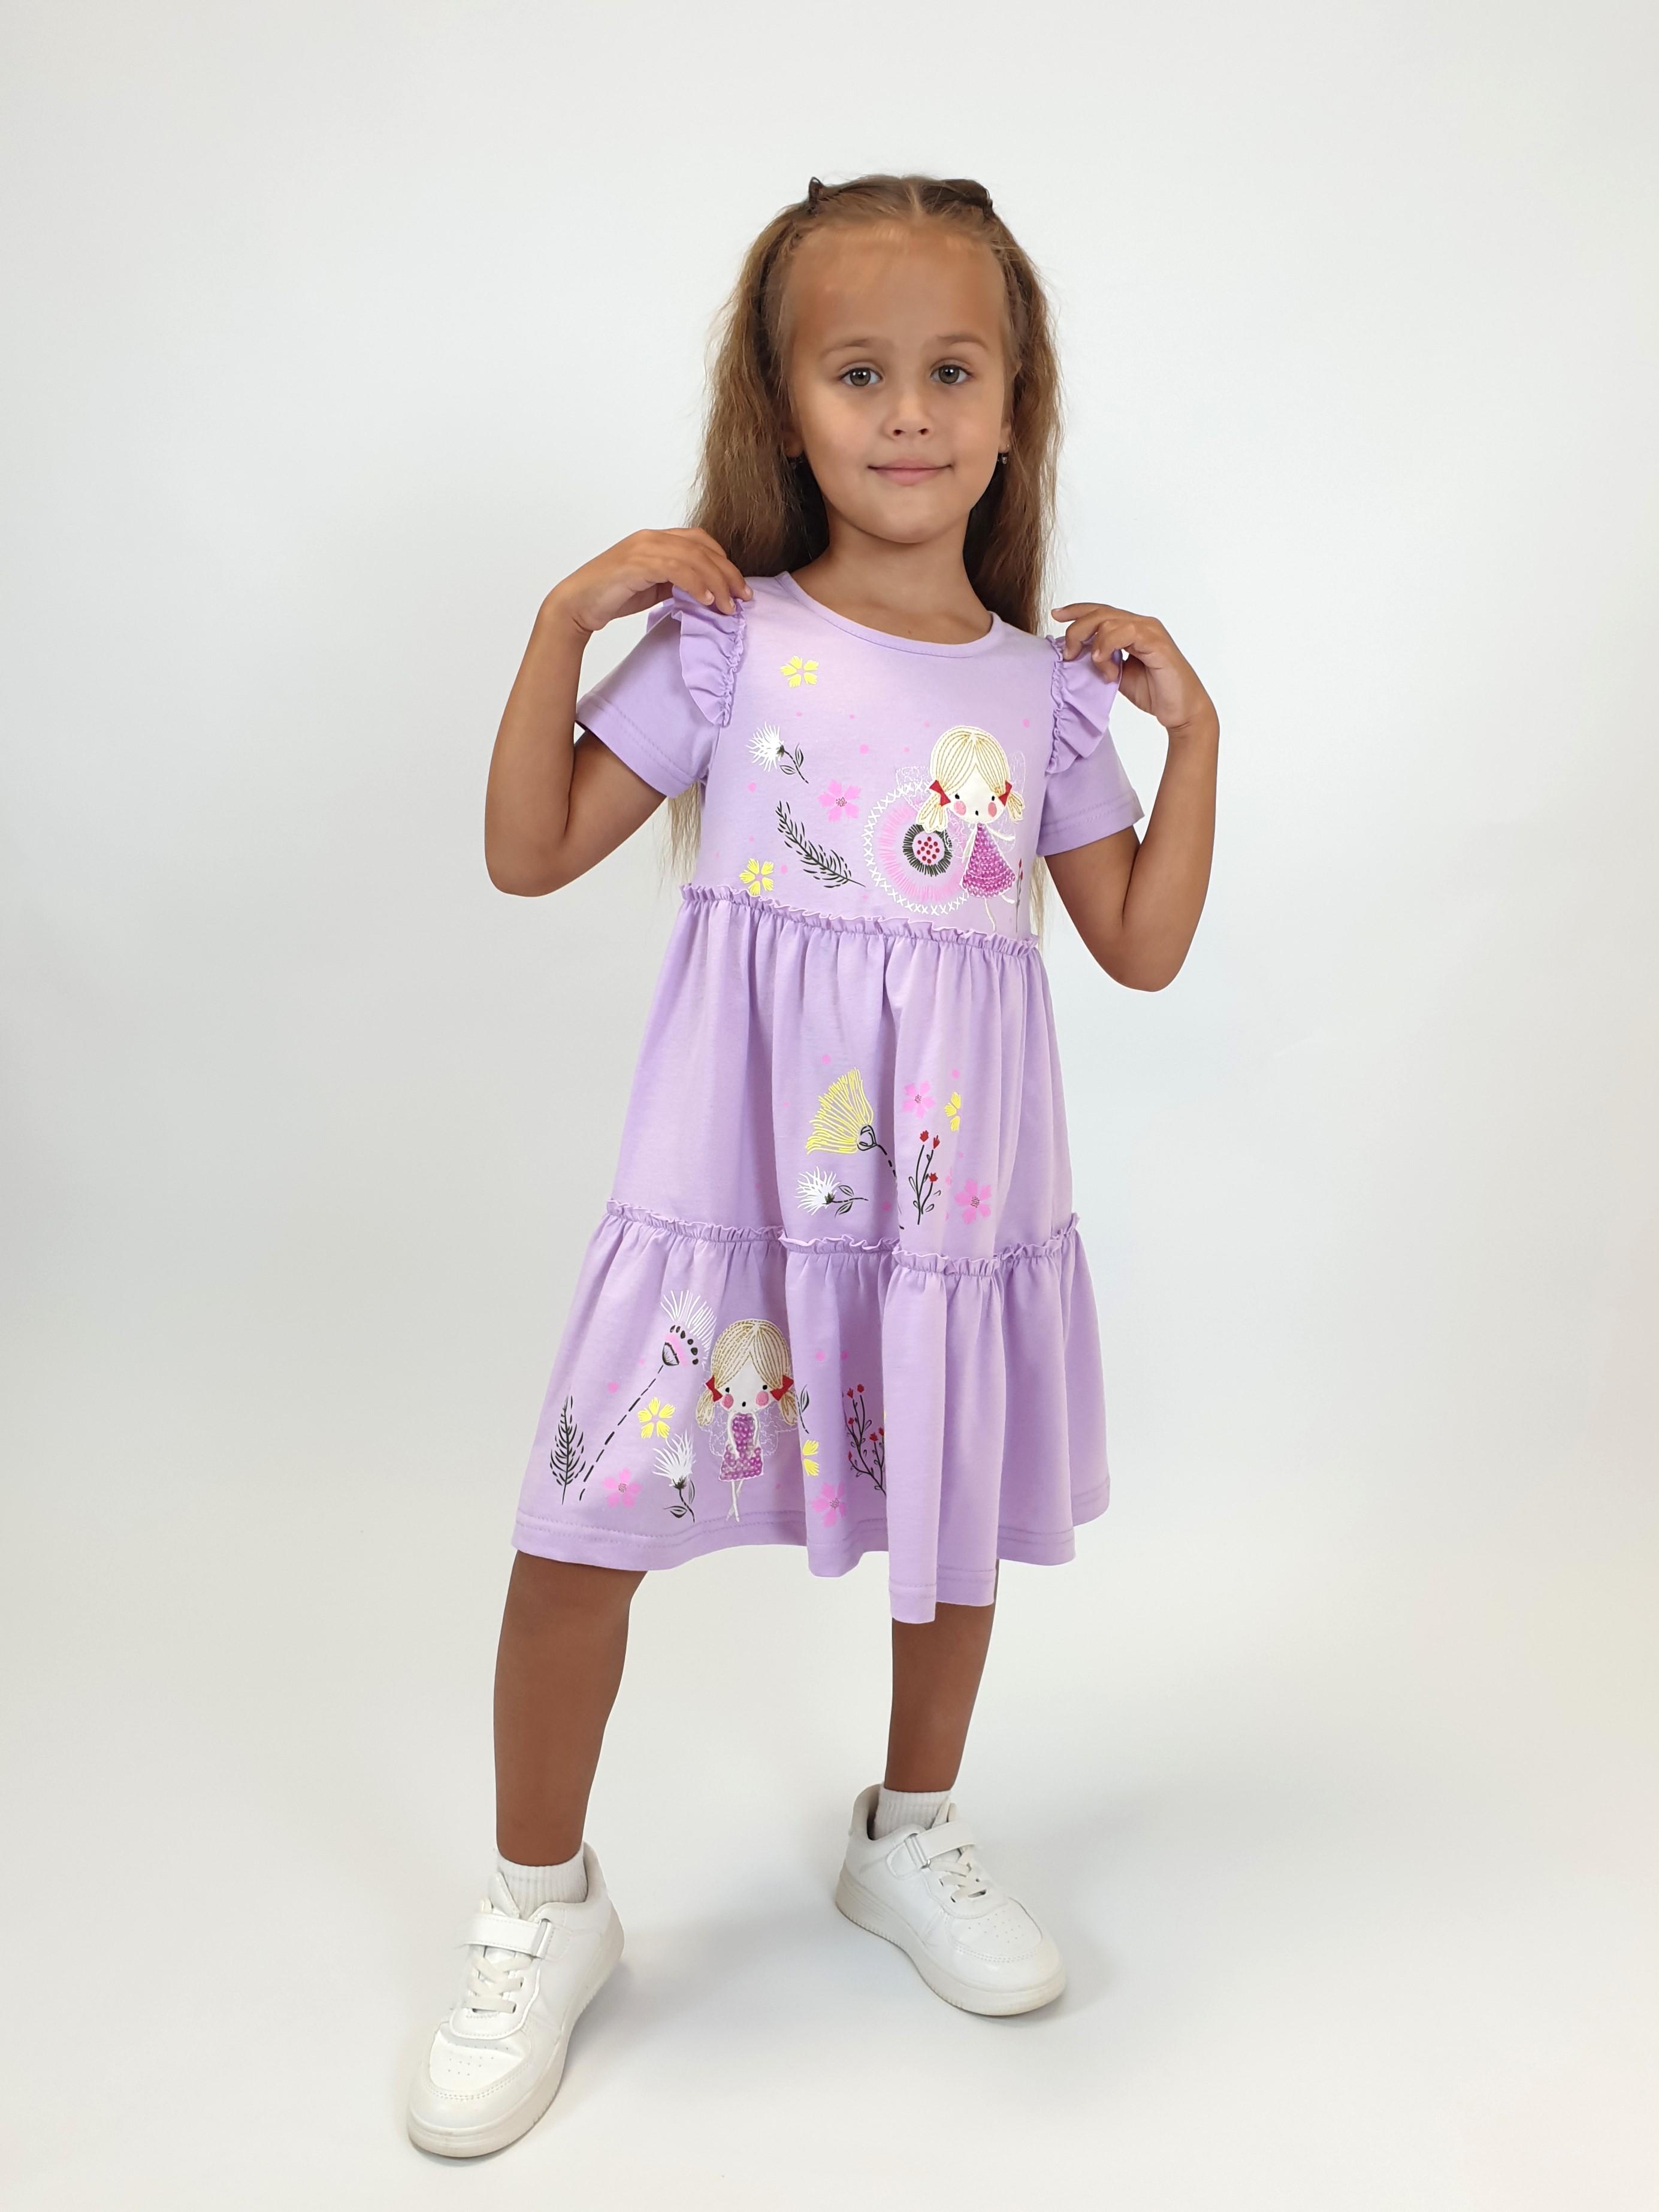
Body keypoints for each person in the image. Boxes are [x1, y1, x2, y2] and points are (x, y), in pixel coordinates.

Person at [406, 171, 1219, 2159]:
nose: (908, 412)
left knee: (949, 1512)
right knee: (579, 1531)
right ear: (783, 409)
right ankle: (540, 1901)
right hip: (727, 1201)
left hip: (942, 1211)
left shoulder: (1046, 698)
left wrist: (1192, 739)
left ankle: (907, 1827)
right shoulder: (724, 647)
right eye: (859, 372)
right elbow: (527, 847)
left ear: (1015, 407)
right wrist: (561, 622)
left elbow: (1139, 942)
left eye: (953, 370)